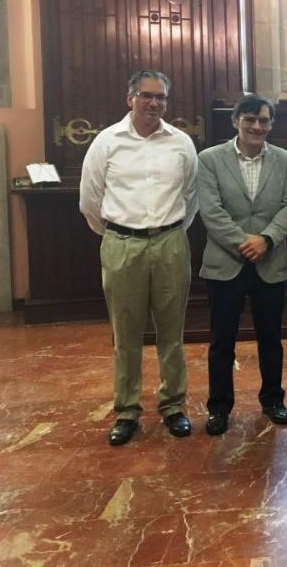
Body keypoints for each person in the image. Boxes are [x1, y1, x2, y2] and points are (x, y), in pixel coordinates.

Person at [79, 69, 197, 445]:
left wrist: (166, 231)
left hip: (170, 243)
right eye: (146, 95)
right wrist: (121, 235)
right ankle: (127, 410)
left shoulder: (181, 143)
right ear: (129, 98)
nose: (154, 103)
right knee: (126, 335)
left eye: (161, 97)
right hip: (122, 244)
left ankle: (173, 406)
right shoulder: (106, 142)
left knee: (172, 333)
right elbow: (90, 200)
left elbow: (191, 197)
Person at [196, 94, 287, 435]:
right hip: (226, 263)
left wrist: (266, 239)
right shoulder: (210, 159)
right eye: (250, 119)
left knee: (271, 338)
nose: (257, 126)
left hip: (270, 262)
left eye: (264, 121)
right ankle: (219, 407)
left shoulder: (286, 161)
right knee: (221, 340)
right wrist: (244, 242)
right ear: (236, 121)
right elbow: (210, 210)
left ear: (271, 124)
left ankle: (273, 400)